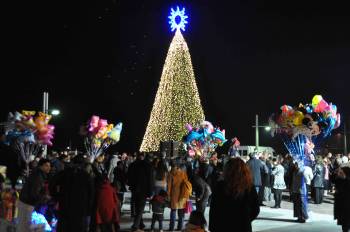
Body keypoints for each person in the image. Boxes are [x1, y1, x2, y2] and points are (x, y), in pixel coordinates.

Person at [209, 158, 260, 232]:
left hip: (222, 226)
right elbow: (255, 209)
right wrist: (246, 219)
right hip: (243, 226)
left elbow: (214, 209)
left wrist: (213, 227)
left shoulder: (220, 186)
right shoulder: (249, 187)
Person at [18, 158, 51, 231]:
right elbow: (34, 193)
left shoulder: (40, 175)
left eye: (49, 166)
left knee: (24, 224)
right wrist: (44, 198)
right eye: (46, 165)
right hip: (26, 202)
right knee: (23, 225)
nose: (49, 167)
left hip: (27, 202)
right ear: (41, 166)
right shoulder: (38, 177)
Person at [127, 152, 153, 232]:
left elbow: (128, 177)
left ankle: (141, 224)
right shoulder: (147, 165)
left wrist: (131, 185)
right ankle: (135, 226)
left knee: (138, 207)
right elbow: (150, 180)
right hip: (143, 190)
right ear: (143, 157)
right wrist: (150, 192)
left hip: (134, 189)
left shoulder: (132, 165)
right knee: (140, 208)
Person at [167, 159, 191, 231]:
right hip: (183, 194)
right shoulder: (183, 173)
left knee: (173, 211)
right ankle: (179, 227)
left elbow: (169, 186)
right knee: (181, 212)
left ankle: (171, 228)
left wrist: (168, 195)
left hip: (174, 194)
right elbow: (186, 183)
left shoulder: (170, 174)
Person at [334, 166, 350, 232]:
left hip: (347, 205)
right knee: (344, 225)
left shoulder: (348, 181)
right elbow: (334, 180)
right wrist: (335, 172)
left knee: (346, 222)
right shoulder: (339, 180)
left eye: (341, 172)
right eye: (339, 172)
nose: (339, 174)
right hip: (342, 206)